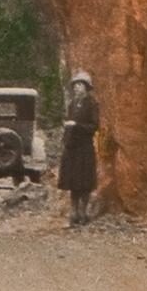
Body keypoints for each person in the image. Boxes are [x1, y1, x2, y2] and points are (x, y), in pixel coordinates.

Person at [59, 70, 100, 226]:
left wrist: (77, 126)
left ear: (87, 87)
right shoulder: (72, 104)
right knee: (72, 180)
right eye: (75, 84)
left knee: (85, 181)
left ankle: (83, 211)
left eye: (80, 84)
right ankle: (74, 211)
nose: (77, 87)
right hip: (72, 147)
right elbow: (68, 122)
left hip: (84, 146)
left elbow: (94, 126)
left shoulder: (92, 104)